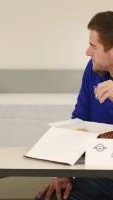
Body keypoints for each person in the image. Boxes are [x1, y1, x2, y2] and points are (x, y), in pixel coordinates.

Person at [35, 11, 113, 200]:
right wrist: (64, 174)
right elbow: (79, 121)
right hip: (98, 173)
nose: (88, 52)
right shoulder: (93, 70)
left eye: (93, 46)